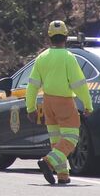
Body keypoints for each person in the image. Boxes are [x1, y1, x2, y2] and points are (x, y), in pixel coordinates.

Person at [25, 20, 94, 185]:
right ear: (65, 36)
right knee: (71, 138)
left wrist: (30, 108)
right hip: (64, 102)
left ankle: (63, 175)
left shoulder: (42, 57)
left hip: (47, 102)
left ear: (49, 37)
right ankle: (48, 162)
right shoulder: (68, 57)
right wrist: (88, 105)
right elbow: (79, 84)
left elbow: (32, 85)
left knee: (56, 141)